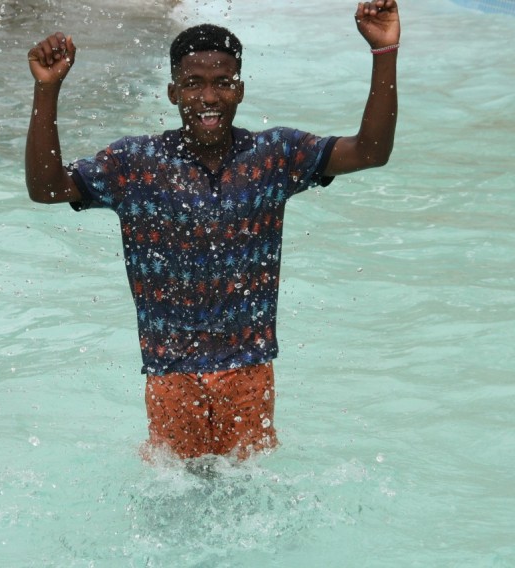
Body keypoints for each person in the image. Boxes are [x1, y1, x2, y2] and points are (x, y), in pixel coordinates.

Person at [25, 1, 400, 461]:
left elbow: (371, 152)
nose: (208, 97)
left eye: (222, 83)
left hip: (249, 369)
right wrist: (47, 91)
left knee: (248, 496)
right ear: (172, 93)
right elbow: (46, 188)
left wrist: (385, 53)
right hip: (170, 372)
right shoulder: (134, 164)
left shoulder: (274, 155)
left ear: (239, 90)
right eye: (193, 84)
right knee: (174, 500)